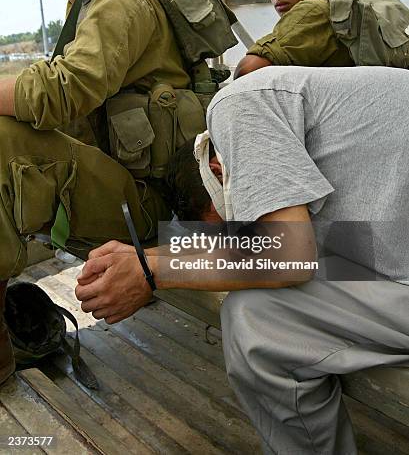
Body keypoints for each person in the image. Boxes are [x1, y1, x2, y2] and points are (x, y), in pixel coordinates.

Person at [76, 65, 409, 454]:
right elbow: (311, 249)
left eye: (236, 227)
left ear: (217, 169)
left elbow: (288, 256)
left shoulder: (237, 105)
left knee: (255, 319)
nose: (244, 239)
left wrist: (152, 272)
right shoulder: (321, 131)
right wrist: (146, 255)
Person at [0, 0, 205, 385]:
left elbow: (61, 92)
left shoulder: (119, 2)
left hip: (155, 209)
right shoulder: (82, 9)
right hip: (122, 192)